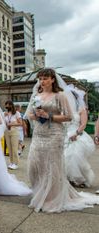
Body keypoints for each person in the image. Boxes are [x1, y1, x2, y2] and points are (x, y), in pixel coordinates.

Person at [25, 68, 99, 213]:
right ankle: (40, 192)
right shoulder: (36, 95)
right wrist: (36, 115)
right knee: (35, 164)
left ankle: (52, 198)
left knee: (52, 166)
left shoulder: (60, 96)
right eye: (40, 79)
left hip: (54, 134)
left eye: (45, 78)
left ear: (53, 79)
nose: (42, 81)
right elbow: (28, 113)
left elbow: (69, 117)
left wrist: (49, 116)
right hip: (39, 134)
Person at [64, 86, 95, 188]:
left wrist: (76, 134)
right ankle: (68, 179)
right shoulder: (65, 110)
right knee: (64, 157)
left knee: (75, 157)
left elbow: (83, 124)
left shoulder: (81, 109)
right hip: (65, 135)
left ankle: (79, 179)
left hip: (77, 135)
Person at [3, 100, 22, 170]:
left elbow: (20, 123)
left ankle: (15, 163)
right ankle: (11, 162)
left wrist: (12, 124)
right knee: (9, 148)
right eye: (6, 105)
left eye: (8, 105)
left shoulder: (17, 113)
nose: (7, 106)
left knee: (14, 148)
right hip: (7, 132)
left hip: (14, 131)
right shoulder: (5, 113)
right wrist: (3, 116)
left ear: (11, 105)